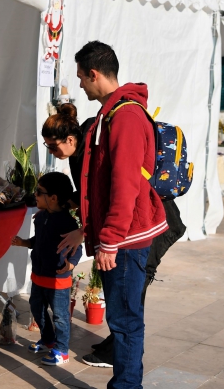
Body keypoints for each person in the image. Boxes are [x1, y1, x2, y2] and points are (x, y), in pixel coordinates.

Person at [42, 104, 186, 368]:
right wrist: (63, 204)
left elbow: (111, 194)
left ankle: (119, 361)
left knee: (131, 295)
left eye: (52, 146)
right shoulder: (82, 146)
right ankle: (115, 346)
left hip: (148, 221)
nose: (52, 152)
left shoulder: (91, 148)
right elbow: (89, 194)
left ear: (70, 139)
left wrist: (83, 231)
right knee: (125, 296)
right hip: (135, 222)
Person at [75, 40, 167, 388]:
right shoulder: (114, 111)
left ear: (95, 74)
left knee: (126, 321)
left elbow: (125, 184)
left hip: (125, 240)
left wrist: (109, 240)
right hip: (121, 237)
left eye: (82, 77)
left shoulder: (125, 116)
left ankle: (127, 386)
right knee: (123, 319)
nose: (80, 83)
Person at [11, 171, 83, 366]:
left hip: (58, 279)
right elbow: (39, 241)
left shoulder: (67, 222)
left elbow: (77, 248)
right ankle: (48, 339)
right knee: (37, 308)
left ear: (53, 198)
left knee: (60, 316)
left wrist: (71, 263)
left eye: (38, 191)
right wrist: (24, 242)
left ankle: (62, 350)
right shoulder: (41, 217)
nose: (35, 194)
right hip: (39, 276)